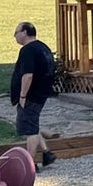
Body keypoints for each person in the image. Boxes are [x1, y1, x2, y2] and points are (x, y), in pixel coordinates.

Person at [10, 22, 58, 167]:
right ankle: (46, 153)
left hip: (31, 95)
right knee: (33, 124)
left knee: (29, 129)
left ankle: (29, 164)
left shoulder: (28, 50)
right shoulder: (43, 47)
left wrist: (23, 96)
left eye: (16, 32)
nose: (15, 36)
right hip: (42, 92)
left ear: (24, 32)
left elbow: (28, 75)